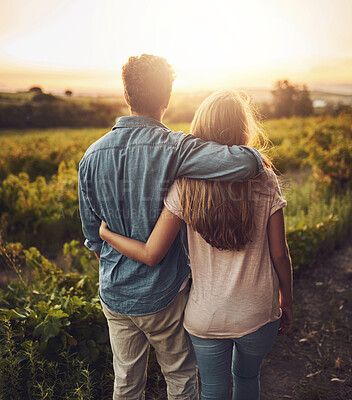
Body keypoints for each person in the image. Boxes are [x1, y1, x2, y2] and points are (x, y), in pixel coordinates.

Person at [78, 55, 264, 400]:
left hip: (115, 294)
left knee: (126, 383)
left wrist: (111, 246)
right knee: (180, 379)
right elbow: (249, 161)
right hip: (164, 293)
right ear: (167, 97)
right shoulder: (175, 148)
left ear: (126, 94)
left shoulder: (90, 156)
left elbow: (93, 237)